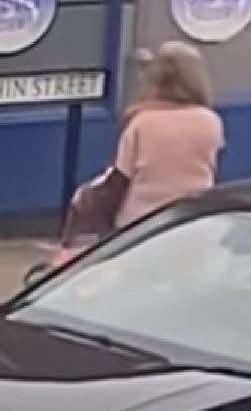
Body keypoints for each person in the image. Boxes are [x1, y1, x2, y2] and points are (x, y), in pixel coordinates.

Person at [48, 40, 225, 269]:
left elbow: (118, 179)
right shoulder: (211, 122)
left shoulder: (142, 122)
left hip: (139, 230)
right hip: (191, 226)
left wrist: (85, 200)